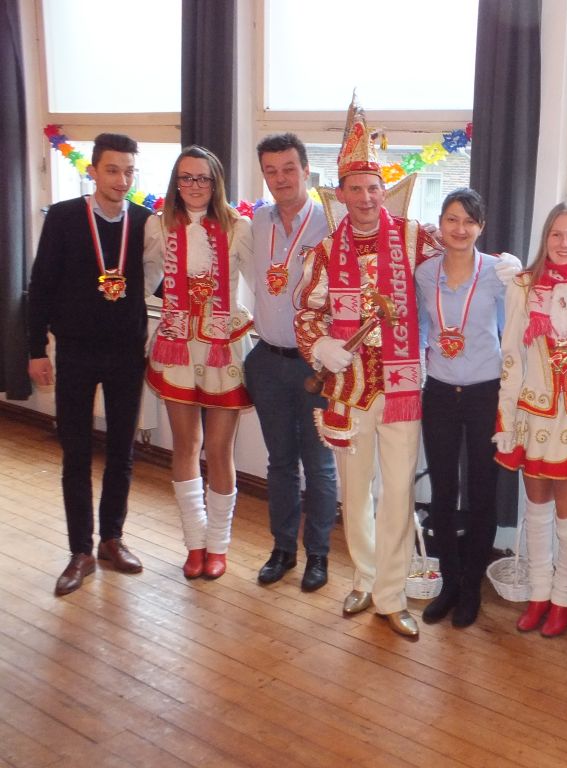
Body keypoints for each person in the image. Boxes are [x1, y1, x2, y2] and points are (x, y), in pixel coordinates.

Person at [294, 100, 440, 638]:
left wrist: (500, 270)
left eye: (373, 188)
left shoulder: (414, 236)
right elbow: (306, 312)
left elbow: (454, 268)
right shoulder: (324, 251)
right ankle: (364, 577)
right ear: (340, 193)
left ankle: (392, 595)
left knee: (398, 492)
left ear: (384, 189)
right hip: (349, 388)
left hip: (402, 388)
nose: (365, 197)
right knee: (355, 494)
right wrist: (320, 346)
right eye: (354, 188)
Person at [27, 133, 152, 596]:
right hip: (76, 351)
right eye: (113, 170)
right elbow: (41, 285)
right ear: (93, 170)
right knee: (76, 452)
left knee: (122, 451)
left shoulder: (145, 221)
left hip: (126, 353)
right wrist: (35, 349)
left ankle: (111, 539)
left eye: (129, 171)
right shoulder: (63, 217)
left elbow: (160, 278)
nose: (122, 180)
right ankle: (80, 550)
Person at [144, 145, 254, 580]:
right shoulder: (157, 225)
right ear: (176, 182)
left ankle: (218, 546)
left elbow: (262, 284)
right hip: (177, 344)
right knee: (186, 446)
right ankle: (195, 544)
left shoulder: (239, 227)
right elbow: (143, 276)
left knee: (220, 449)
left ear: (216, 182)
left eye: (202, 178)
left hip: (221, 345)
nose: (194, 185)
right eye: (186, 177)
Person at [494, 201, 567, 638]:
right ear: (545, 238)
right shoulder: (523, 285)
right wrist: (505, 420)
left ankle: (564, 598)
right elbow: (511, 356)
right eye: (557, 234)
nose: (564, 243)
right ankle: (538, 594)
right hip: (533, 415)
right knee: (535, 513)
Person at [415, 188, 515, 628]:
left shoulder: (498, 273)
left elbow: (514, 330)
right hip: (439, 391)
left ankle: (472, 587)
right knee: (442, 491)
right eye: (452, 219)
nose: (460, 229)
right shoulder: (424, 274)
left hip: (484, 392)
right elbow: (420, 328)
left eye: (469, 221)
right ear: (440, 222)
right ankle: (450, 583)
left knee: (482, 492)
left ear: (481, 227)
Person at [244, 133, 338, 592]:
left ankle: (318, 554)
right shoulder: (257, 223)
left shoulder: (330, 222)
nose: (280, 178)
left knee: (319, 465)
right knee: (280, 462)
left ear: (306, 170)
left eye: (288, 169)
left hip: (316, 366)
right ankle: (282, 549)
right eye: (271, 171)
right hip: (267, 360)